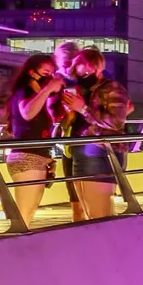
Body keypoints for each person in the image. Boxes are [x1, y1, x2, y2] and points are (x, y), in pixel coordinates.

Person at [62, 48, 134, 220]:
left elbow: (116, 122)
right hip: (81, 153)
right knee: (88, 214)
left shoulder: (112, 87)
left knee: (98, 216)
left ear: (98, 68)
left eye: (87, 71)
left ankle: (107, 246)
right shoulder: (84, 91)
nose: (83, 75)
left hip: (100, 153)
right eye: (78, 72)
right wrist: (72, 112)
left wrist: (84, 109)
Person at [4, 53, 64, 228]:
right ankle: (13, 250)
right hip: (26, 157)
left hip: (37, 157)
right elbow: (27, 113)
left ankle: (18, 248)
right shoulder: (25, 90)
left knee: (28, 214)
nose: (49, 79)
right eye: (46, 73)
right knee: (24, 215)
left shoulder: (39, 97)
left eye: (52, 74)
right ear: (31, 72)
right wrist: (47, 89)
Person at [48, 40, 83, 221]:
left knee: (78, 185)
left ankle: (82, 221)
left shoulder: (84, 80)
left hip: (77, 138)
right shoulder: (56, 82)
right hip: (69, 139)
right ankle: (81, 222)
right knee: (74, 185)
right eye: (65, 62)